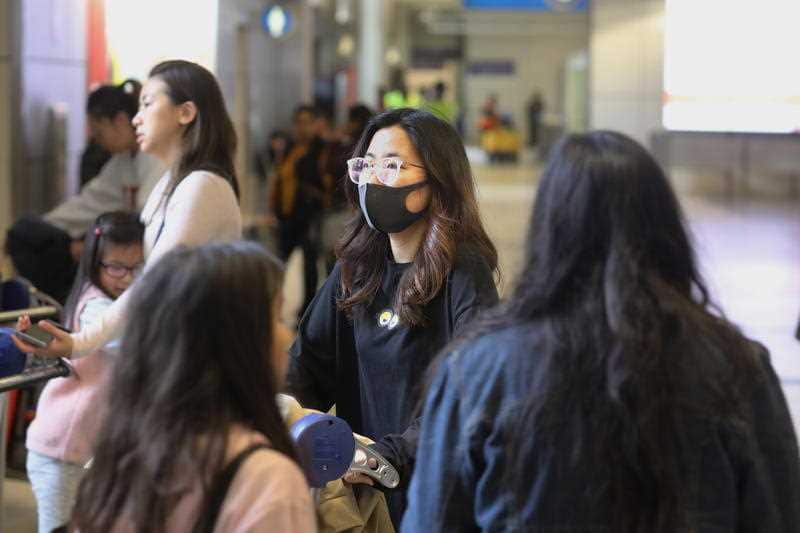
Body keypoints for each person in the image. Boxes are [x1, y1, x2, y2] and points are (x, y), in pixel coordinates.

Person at [402, 131, 800, 532]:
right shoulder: (738, 368)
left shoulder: (476, 373)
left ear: (548, 231)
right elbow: (780, 516)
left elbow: (432, 522)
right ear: (667, 231)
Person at [285, 108, 499, 526]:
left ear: (437, 179)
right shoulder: (356, 268)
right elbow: (306, 365)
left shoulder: (463, 270)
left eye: (392, 165)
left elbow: (467, 393)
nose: (372, 178)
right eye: (365, 164)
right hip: (366, 497)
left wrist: (388, 456)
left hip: (430, 494)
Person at [70, 242, 315, 532]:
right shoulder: (266, 481)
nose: (288, 335)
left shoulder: (117, 462)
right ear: (235, 344)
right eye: (276, 318)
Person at [13, 59, 242, 360]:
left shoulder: (202, 186)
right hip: (173, 355)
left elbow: (154, 281)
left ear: (186, 113)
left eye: (147, 104)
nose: (136, 119)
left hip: (195, 364)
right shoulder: (171, 183)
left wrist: (80, 342)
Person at [25, 212, 144, 533]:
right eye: (116, 267)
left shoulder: (119, 303)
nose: (128, 279)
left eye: (138, 267)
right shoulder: (97, 306)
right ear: (94, 264)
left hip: (88, 453)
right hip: (61, 451)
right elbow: (133, 344)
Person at [6, 79, 164, 303]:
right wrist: (43, 228)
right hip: (125, 250)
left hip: (146, 258)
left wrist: (97, 247)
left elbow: (148, 223)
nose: (98, 142)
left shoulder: (158, 158)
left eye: (100, 133)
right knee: (26, 233)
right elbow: (89, 202)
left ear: (120, 121)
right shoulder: (123, 160)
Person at [267, 104, 326, 320]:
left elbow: (325, 182)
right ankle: (275, 308)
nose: (302, 128)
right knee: (279, 262)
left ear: (315, 124)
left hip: (310, 216)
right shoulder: (289, 149)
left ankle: (308, 311)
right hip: (287, 215)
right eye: (298, 123)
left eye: (307, 123)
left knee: (310, 267)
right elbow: (279, 179)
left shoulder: (321, 150)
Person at [318, 103, 374, 273]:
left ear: (355, 122)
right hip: (356, 208)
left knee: (337, 257)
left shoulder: (346, 146)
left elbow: (328, 169)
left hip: (344, 206)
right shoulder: (370, 145)